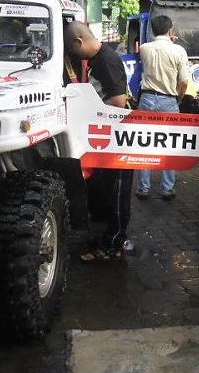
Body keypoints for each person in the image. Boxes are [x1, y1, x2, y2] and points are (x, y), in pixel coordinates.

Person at [64, 21, 133, 262]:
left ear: (78, 41)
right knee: (109, 191)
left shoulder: (107, 60)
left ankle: (113, 243)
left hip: (119, 138)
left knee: (118, 194)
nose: (73, 55)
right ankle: (110, 237)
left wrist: (86, 111)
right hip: (106, 137)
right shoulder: (96, 60)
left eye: (72, 49)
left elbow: (118, 102)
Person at [135, 14, 189, 201]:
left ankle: (144, 188)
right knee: (169, 145)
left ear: (151, 30)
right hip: (169, 101)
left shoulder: (144, 49)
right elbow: (183, 82)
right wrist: (178, 100)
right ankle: (167, 189)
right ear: (170, 30)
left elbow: (154, 49)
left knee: (145, 143)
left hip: (147, 100)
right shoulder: (179, 51)